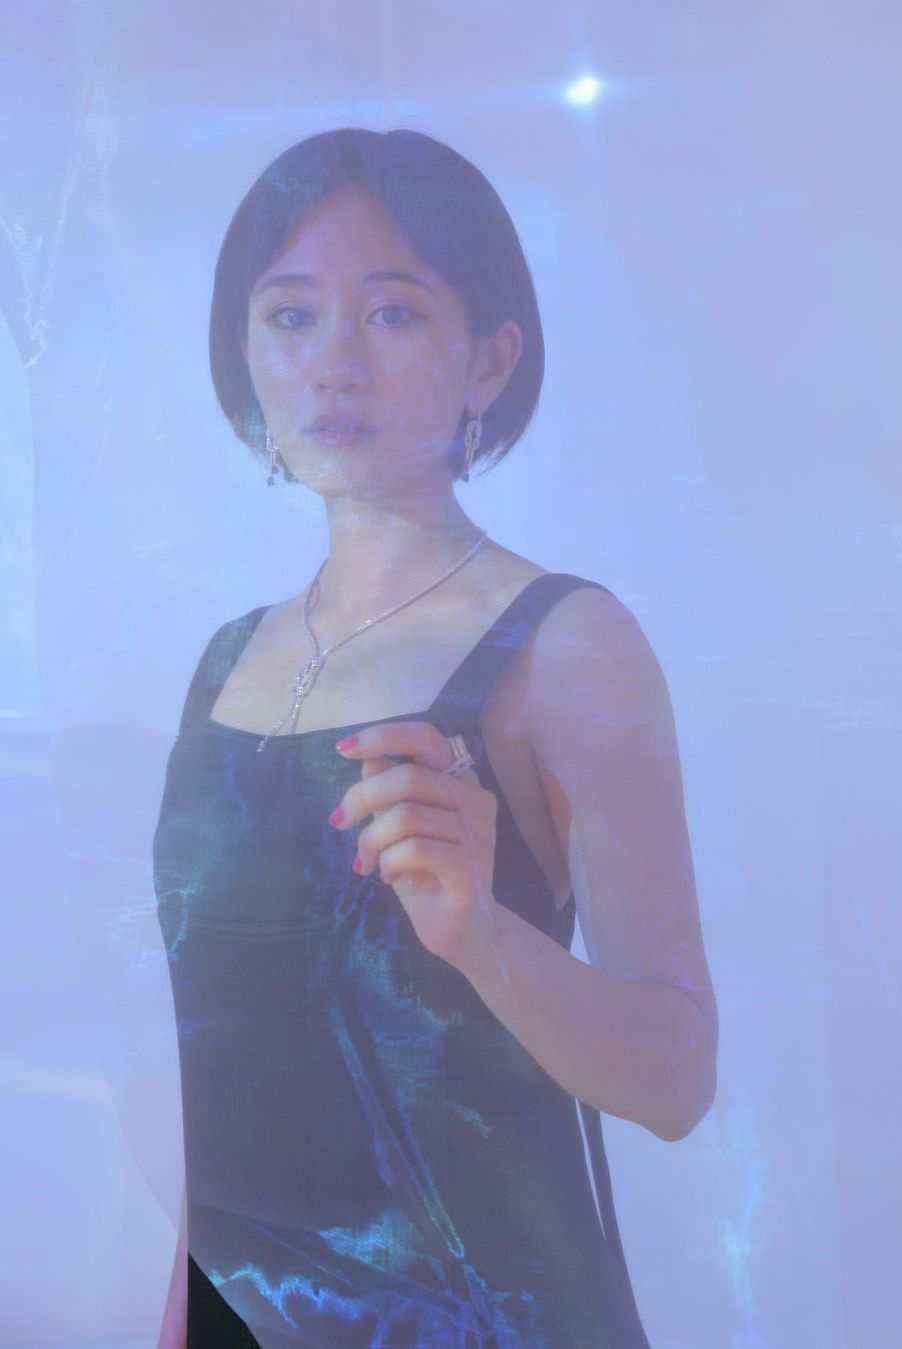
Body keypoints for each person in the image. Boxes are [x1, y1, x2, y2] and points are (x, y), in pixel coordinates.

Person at [152, 126, 718, 1349]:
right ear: (245, 355)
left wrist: (484, 938)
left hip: (484, 1319)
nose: (332, 364)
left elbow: (678, 1077)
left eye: (391, 314)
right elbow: (212, 1080)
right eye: (290, 317)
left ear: (489, 359)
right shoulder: (224, 663)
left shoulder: (563, 642)